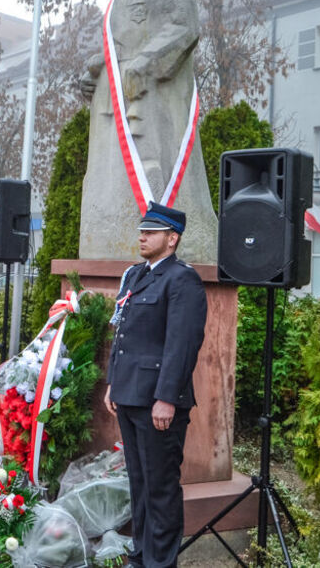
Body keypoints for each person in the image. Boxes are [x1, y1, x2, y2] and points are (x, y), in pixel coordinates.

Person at [78, 0, 217, 264]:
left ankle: (172, 240)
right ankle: (109, 238)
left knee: (153, 168)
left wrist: (144, 63)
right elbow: (120, 47)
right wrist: (98, 70)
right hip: (116, 101)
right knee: (110, 174)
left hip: (153, 98)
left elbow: (184, 28)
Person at [103, 202, 207, 568]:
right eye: (142, 230)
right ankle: (140, 557)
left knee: (161, 487)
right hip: (129, 394)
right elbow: (124, 337)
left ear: (172, 238)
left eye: (151, 231)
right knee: (140, 483)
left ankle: (160, 563)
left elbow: (182, 345)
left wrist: (166, 398)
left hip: (157, 402)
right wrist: (113, 382)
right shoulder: (136, 276)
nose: (142, 236)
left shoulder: (182, 279)